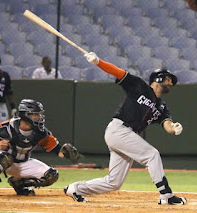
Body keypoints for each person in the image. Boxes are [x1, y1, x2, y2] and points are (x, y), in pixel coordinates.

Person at [64, 52, 187, 205]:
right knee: (152, 155)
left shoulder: (161, 106)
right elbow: (116, 71)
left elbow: (167, 124)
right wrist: (98, 62)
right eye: (168, 79)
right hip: (119, 129)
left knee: (114, 182)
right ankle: (166, 195)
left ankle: (76, 188)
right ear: (159, 78)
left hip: (126, 136)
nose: (170, 83)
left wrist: (174, 128)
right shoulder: (140, 86)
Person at [0, 99, 83, 197]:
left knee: (52, 175)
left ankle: (18, 184)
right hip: (4, 160)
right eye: (35, 114)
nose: (39, 117)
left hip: (23, 162)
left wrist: (64, 152)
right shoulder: (7, 127)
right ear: (25, 115)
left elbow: (56, 149)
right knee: (7, 158)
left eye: (39, 114)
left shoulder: (41, 132)